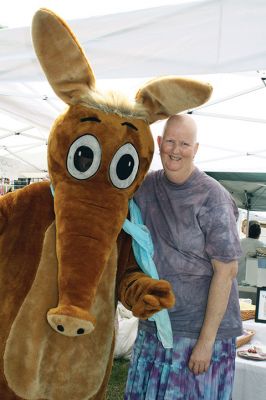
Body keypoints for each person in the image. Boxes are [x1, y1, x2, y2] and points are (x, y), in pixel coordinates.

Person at [120, 114, 242, 400]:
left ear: (196, 149)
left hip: (199, 331)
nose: (176, 150)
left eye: (184, 144)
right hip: (157, 323)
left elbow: (227, 271)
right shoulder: (145, 188)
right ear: (159, 143)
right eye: (170, 142)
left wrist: (206, 342)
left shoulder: (213, 197)